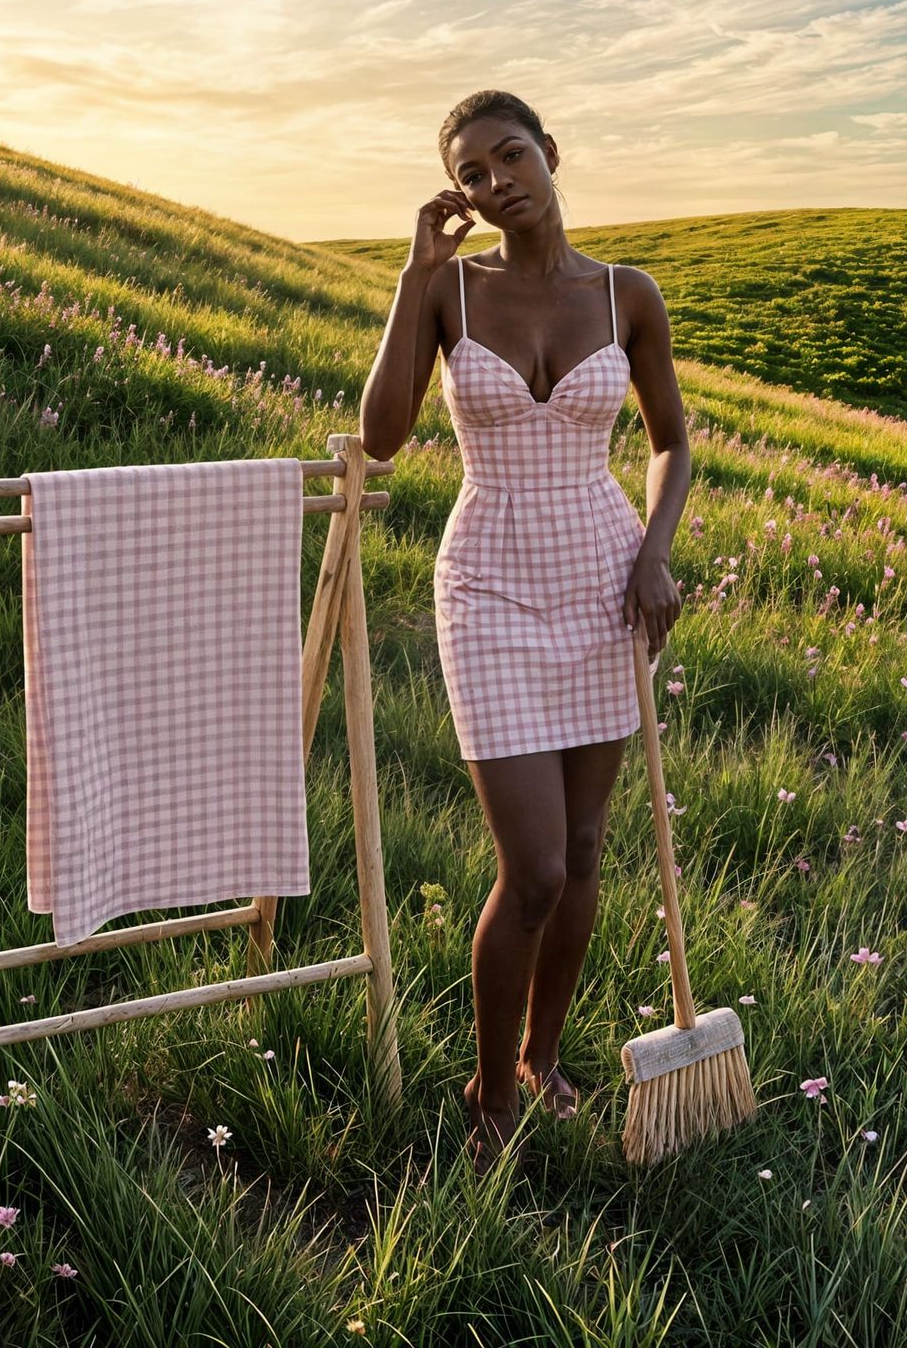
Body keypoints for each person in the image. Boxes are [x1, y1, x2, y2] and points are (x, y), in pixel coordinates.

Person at [359, 90, 690, 1172]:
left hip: (602, 577)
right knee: (537, 867)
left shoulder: (624, 294)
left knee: (588, 850)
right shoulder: (451, 289)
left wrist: (651, 552)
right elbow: (383, 435)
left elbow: (670, 445)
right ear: (459, 192)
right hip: (490, 584)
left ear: (550, 153)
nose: (498, 182)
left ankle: (544, 1062)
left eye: (511, 157)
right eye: (474, 172)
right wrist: (412, 278)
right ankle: (487, 1089)